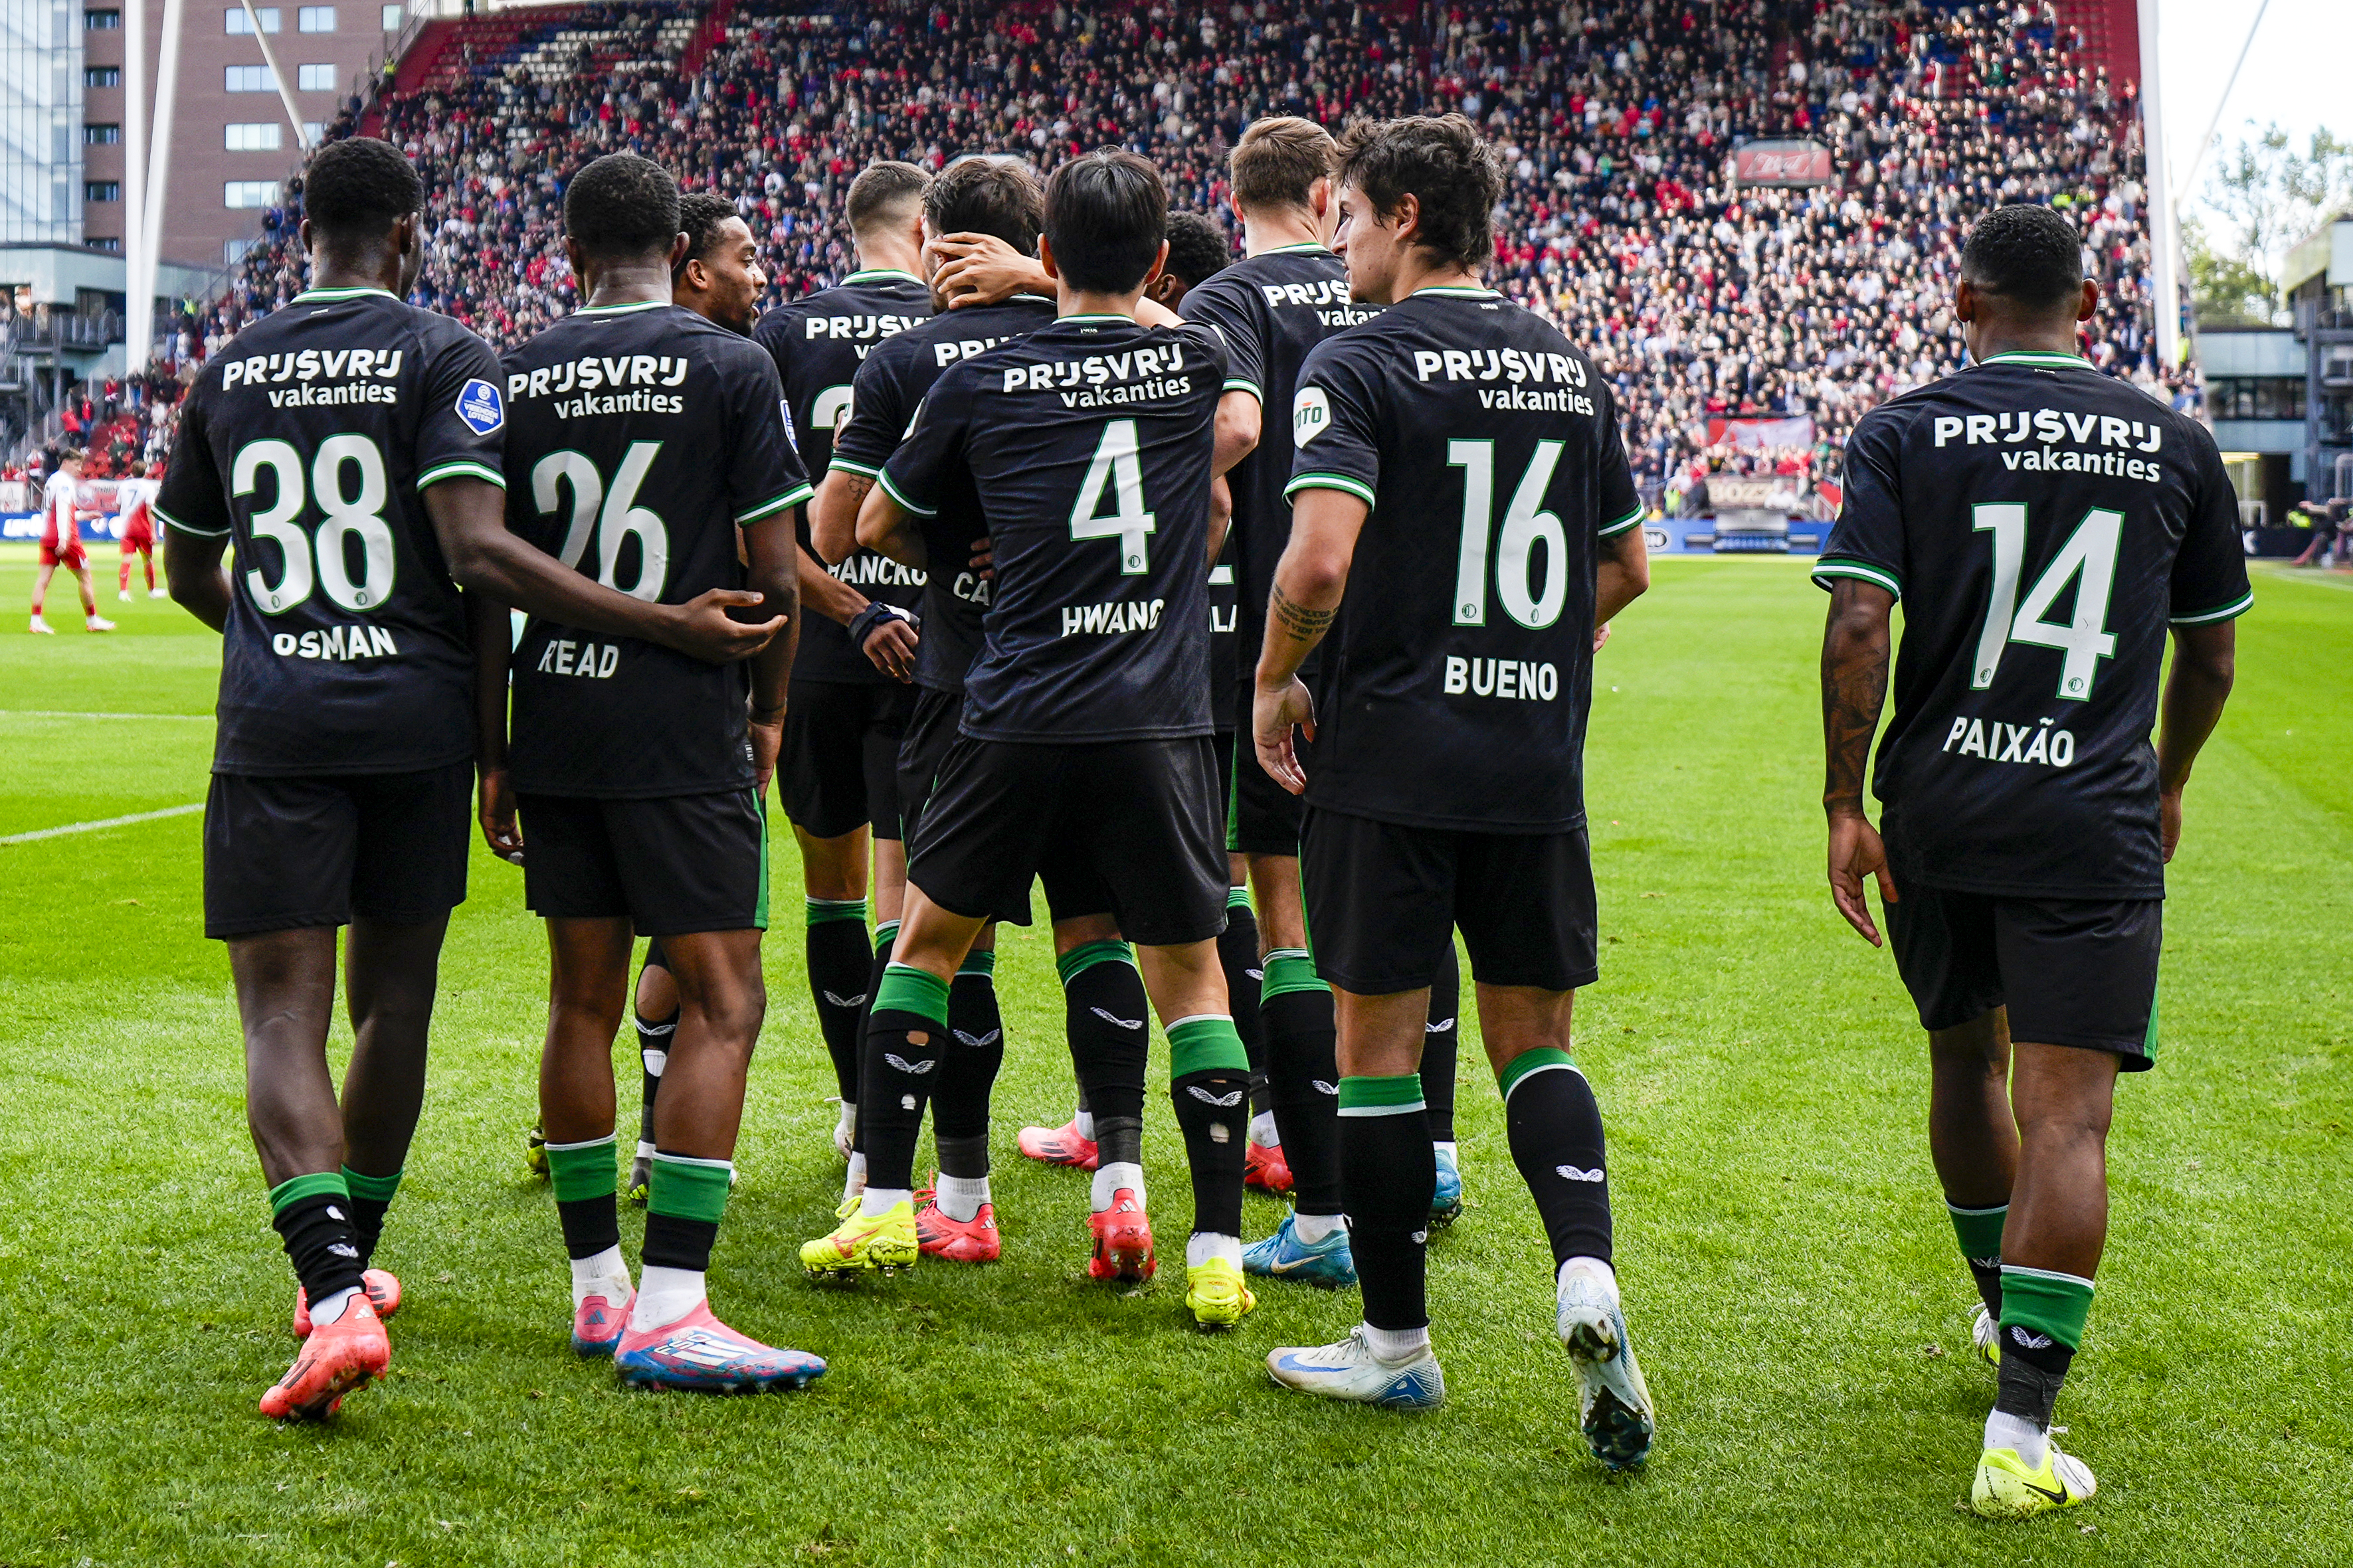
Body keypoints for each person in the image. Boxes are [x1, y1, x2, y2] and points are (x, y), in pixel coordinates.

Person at [159, 136, 773, 1421]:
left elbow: (188, 570)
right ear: (406, 236)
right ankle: (382, 1269)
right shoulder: (447, 355)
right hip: (434, 721)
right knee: (400, 1004)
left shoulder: (234, 363)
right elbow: (478, 553)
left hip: (300, 725)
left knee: (286, 1015)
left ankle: (340, 1284)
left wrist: (284, 641)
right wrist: (685, 654)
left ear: (304, 233)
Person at [1815, 202, 2248, 1519]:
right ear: (2090, 305)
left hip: (1938, 811)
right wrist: (2167, 780)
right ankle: (2018, 1431)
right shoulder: (2175, 441)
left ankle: (2000, 1311)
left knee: (1965, 1064)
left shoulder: (1902, 428)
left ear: (1964, 301)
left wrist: (1843, 802)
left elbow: (1858, 623)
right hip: (2087, 820)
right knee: (2068, 1115)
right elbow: (2210, 655)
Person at [1254, 118, 1656, 1470]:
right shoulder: (1567, 363)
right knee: (1534, 1043)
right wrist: (1519, 649)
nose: (1339, 246)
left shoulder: (1358, 359)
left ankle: (1394, 1346)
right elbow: (1627, 567)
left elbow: (1318, 563)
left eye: (1352, 219)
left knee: (1376, 1053)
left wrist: (1276, 679)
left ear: (1408, 216)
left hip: (1391, 757)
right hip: (1531, 761)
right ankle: (1585, 1270)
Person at [804, 149, 1259, 1330]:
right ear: (1157, 262)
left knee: (925, 948)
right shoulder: (1191, 362)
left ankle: (889, 1205)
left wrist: (975, 552)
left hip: (1012, 711)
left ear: (1048, 254)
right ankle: (1215, 1253)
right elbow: (1224, 454)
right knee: (1190, 978)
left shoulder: (981, 379)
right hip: (1155, 720)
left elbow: (867, 524)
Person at [490, 154, 820, 1391]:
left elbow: (487, 575)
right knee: (725, 999)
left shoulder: (515, 370)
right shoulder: (731, 365)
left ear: (568, 252)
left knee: (580, 998)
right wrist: (770, 711)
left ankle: (597, 1289)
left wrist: (495, 748)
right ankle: (675, 1303)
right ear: (677, 250)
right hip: (681, 719)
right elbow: (776, 572)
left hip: (556, 714)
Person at [814, 155, 1069, 1265]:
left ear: (931, 241)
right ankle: (1131, 1186)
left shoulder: (906, 359)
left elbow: (838, 531)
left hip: (953, 674)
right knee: (1103, 930)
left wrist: (937, 546)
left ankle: (919, 1185)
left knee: (931, 931)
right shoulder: (1093, 336)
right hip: (1102, 675)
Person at [1008, 209, 1274, 1185]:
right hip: (1225, 655)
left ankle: (1107, 1133)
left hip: (1136, 667)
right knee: (1223, 892)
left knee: (1099, 909)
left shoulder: (1176, 372)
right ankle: (1266, 1128)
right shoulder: (1229, 364)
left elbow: (1213, 495)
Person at [751, 163, 934, 1184]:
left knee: (832, 892)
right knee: (918, 897)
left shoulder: (783, 333)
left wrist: (849, 607)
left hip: (819, 649)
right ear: (924, 228)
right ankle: (915, 1130)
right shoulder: (955, 328)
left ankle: (860, 1110)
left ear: (852, 229)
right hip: (938, 643)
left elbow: (768, 525)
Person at [31, 448, 113, 633]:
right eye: (77, 465)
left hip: (48, 535)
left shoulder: (52, 480)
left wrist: (84, 515)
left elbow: (57, 512)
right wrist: (63, 538)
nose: (79, 469)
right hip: (66, 536)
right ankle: (92, 619)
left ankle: (35, 621)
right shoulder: (65, 482)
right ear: (66, 462)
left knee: (43, 580)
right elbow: (62, 509)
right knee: (85, 577)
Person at [116, 459, 165, 601]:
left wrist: (124, 518)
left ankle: (123, 592)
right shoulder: (148, 487)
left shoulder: (123, 485)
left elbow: (118, 506)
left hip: (127, 528)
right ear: (145, 472)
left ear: (131, 471)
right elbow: (150, 511)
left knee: (127, 559)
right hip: (142, 528)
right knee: (148, 559)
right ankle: (152, 591)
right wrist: (153, 532)